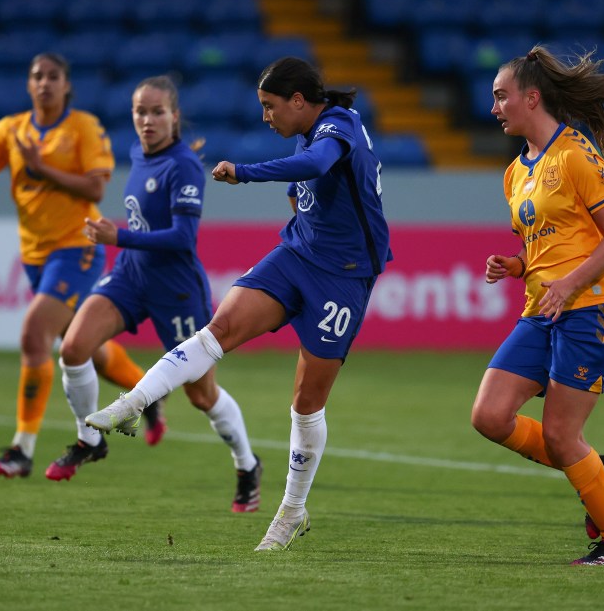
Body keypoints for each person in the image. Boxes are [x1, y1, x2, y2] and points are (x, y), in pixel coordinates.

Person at [84, 57, 391, 551]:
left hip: (344, 279)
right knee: (219, 329)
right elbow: (307, 182)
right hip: (296, 255)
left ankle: (292, 510)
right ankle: (131, 403)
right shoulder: (308, 131)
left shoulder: (338, 125)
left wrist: (245, 172)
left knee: (306, 404)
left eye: (270, 106)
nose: (265, 117)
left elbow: (316, 165)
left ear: (297, 101)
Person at [471, 45, 604, 566]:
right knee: (489, 415)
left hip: (590, 305)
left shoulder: (576, 154)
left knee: (559, 433)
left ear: (532, 97)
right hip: (543, 309)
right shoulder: (515, 173)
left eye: (502, 97)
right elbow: (545, 243)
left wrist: (568, 284)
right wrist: (518, 265)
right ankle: (595, 467)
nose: (495, 107)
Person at [0, 52, 166, 481]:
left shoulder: (82, 128)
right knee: (80, 344)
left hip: (77, 247)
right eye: (38, 76)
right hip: (34, 255)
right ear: (28, 84)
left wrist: (41, 167)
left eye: (54, 77)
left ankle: (22, 450)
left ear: (66, 85)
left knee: (35, 335)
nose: (45, 83)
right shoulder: (10, 130)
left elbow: (95, 184)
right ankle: (147, 393)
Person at [58, 75, 263, 509]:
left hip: (176, 290)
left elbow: (182, 238)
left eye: (156, 112)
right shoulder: (137, 152)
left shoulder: (184, 166)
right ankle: (89, 439)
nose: (147, 120)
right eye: (139, 111)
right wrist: (122, 243)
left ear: (174, 116)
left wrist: (119, 238)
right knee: (74, 347)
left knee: (201, 394)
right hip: (132, 277)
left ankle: (247, 464)